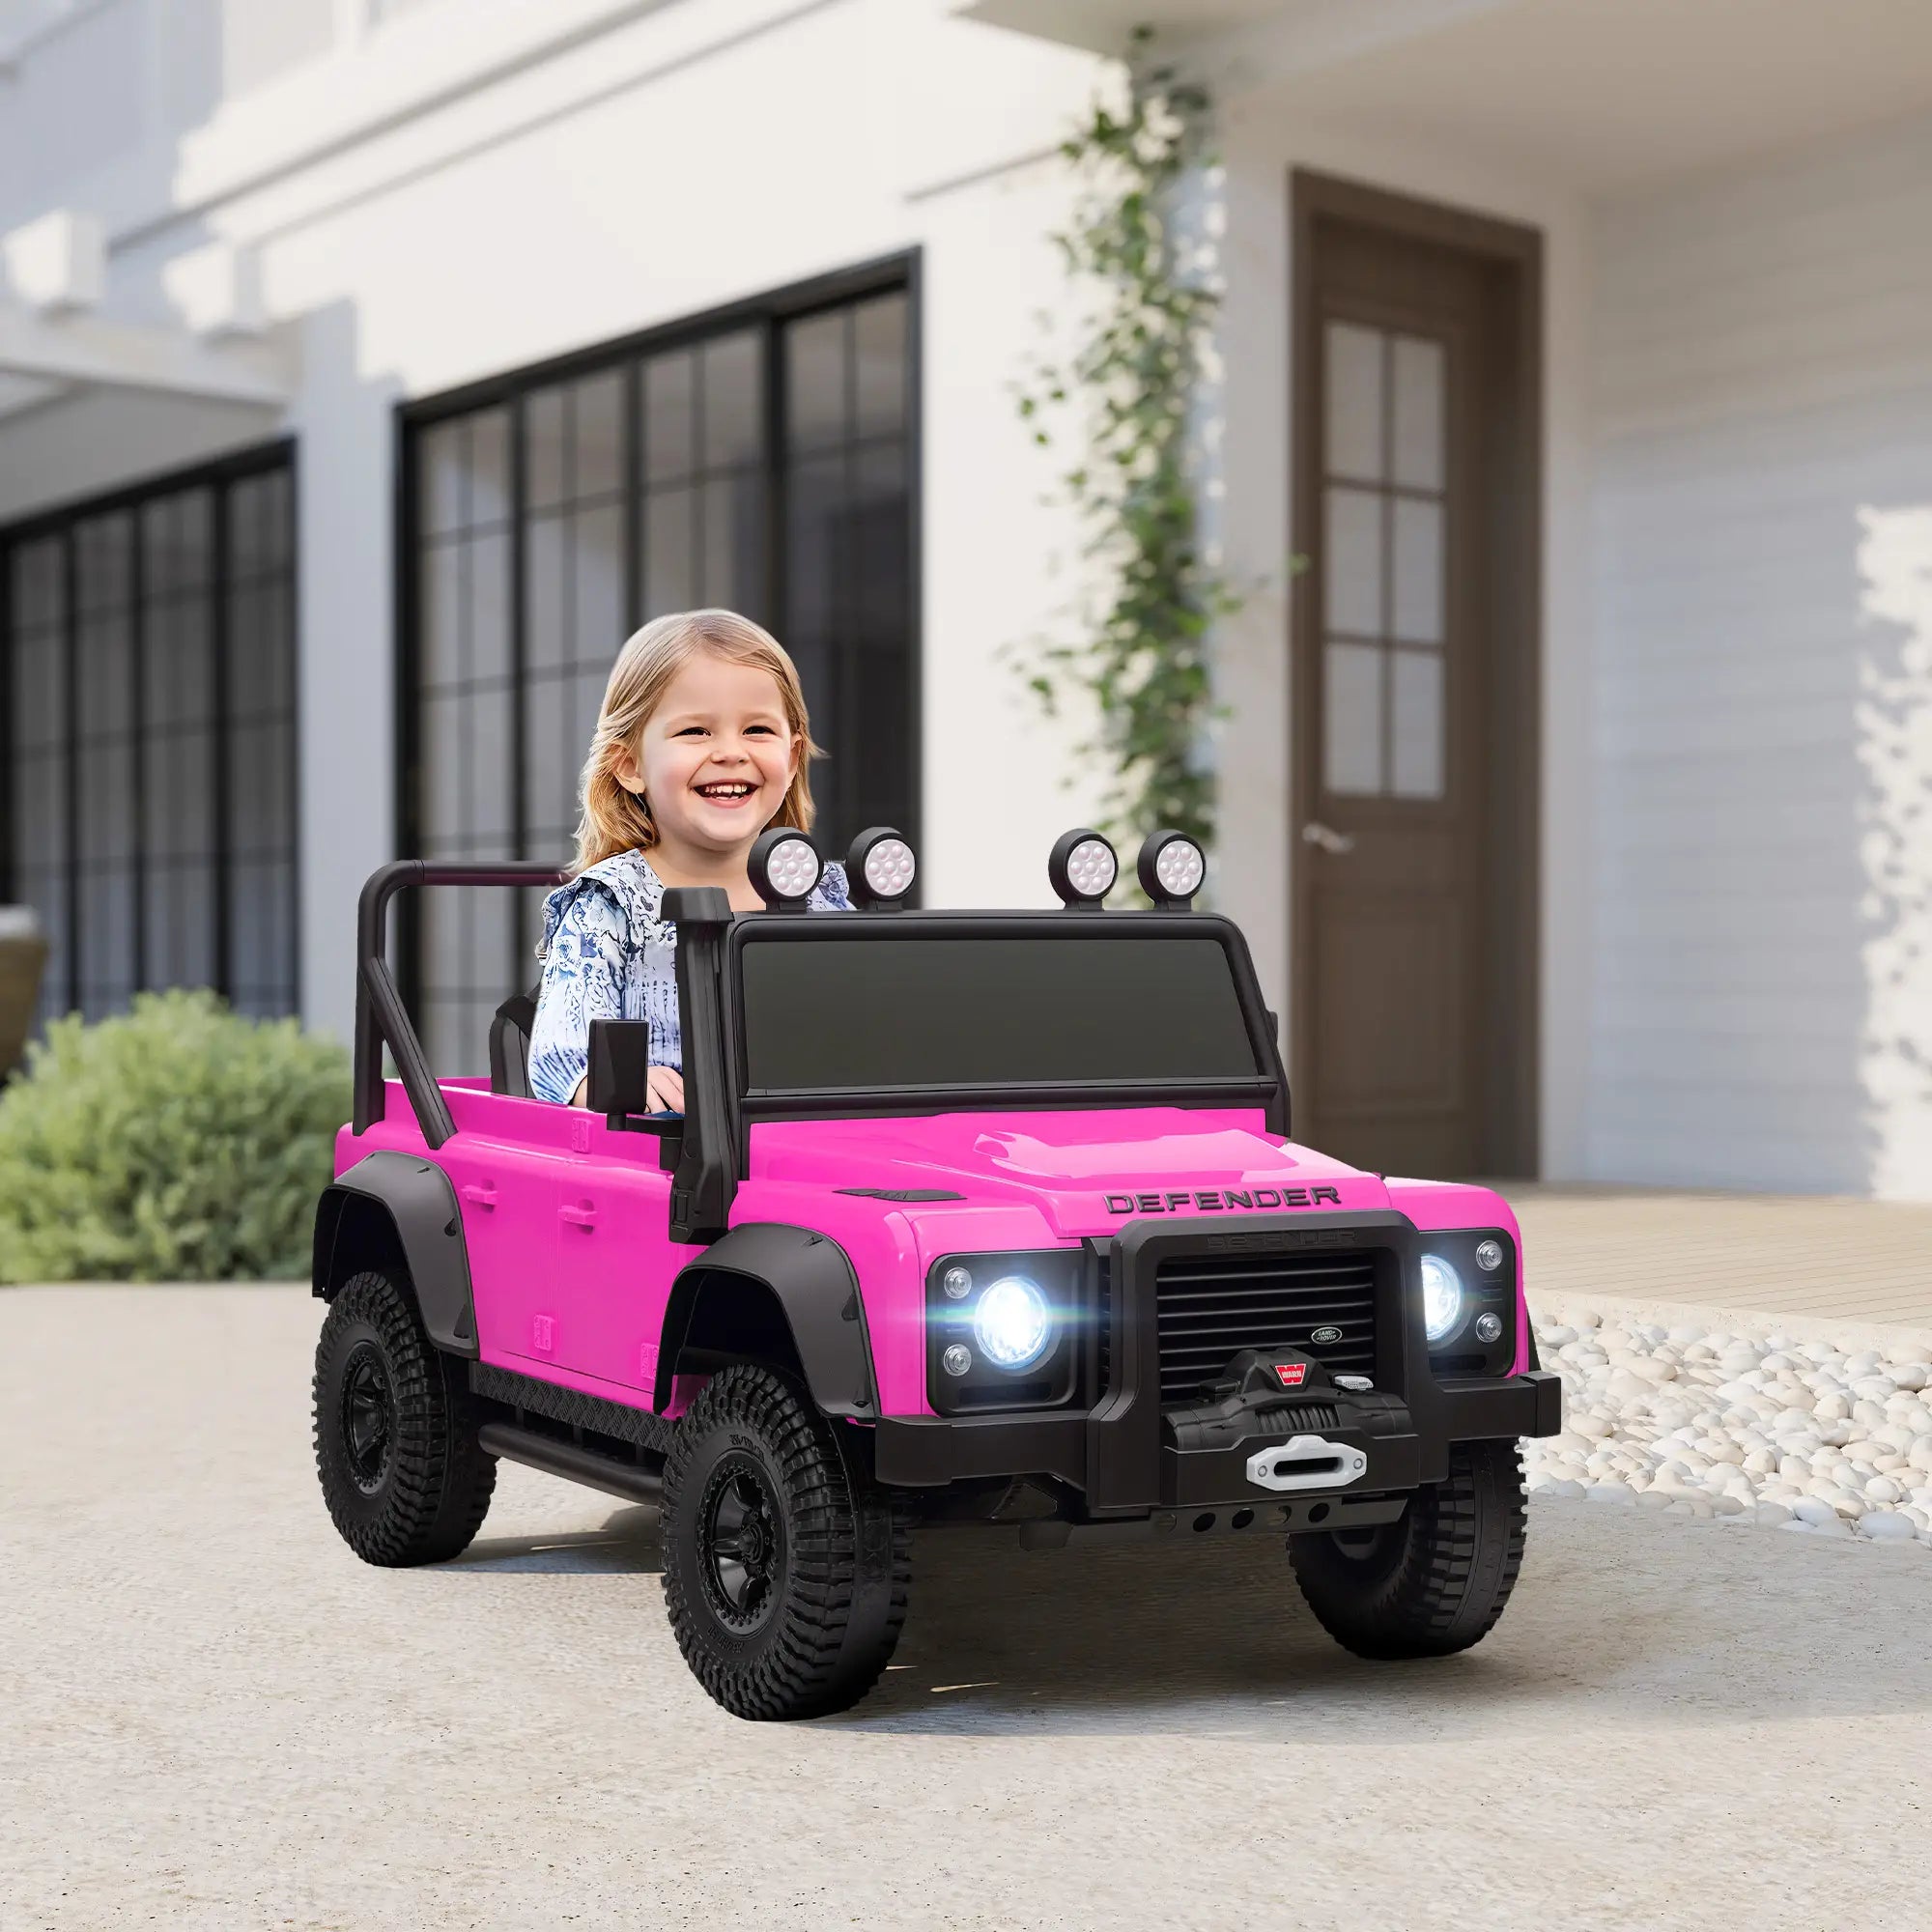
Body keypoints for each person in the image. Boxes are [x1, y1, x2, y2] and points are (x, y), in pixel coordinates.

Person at [526, 608, 849, 1109]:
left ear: (790, 759)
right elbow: (559, 1055)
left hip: (812, 1136)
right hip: (670, 1143)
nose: (730, 752)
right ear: (630, 765)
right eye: (696, 731)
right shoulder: (610, 904)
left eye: (757, 730)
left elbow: (874, 1022)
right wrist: (614, 1083)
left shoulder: (823, 894)